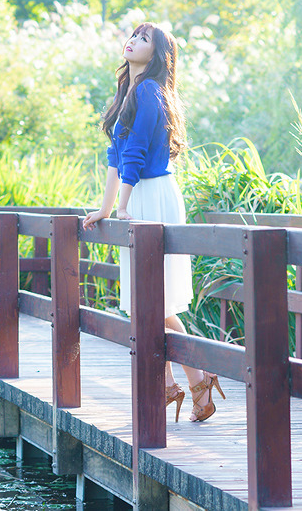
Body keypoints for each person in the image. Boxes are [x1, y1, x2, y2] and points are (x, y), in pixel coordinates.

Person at [82, 22, 224, 423]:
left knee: (153, 302)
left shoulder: (149, 92)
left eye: (143, 39)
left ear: (158, 53)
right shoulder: (129, 90)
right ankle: (191, 384)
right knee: (149, 305)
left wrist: (124, 206)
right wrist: (107, 208)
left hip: (151, 194)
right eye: (132, 35)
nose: (132, 41)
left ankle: (181, 385)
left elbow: (137, 153)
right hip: (136, 194)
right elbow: (116, 154)